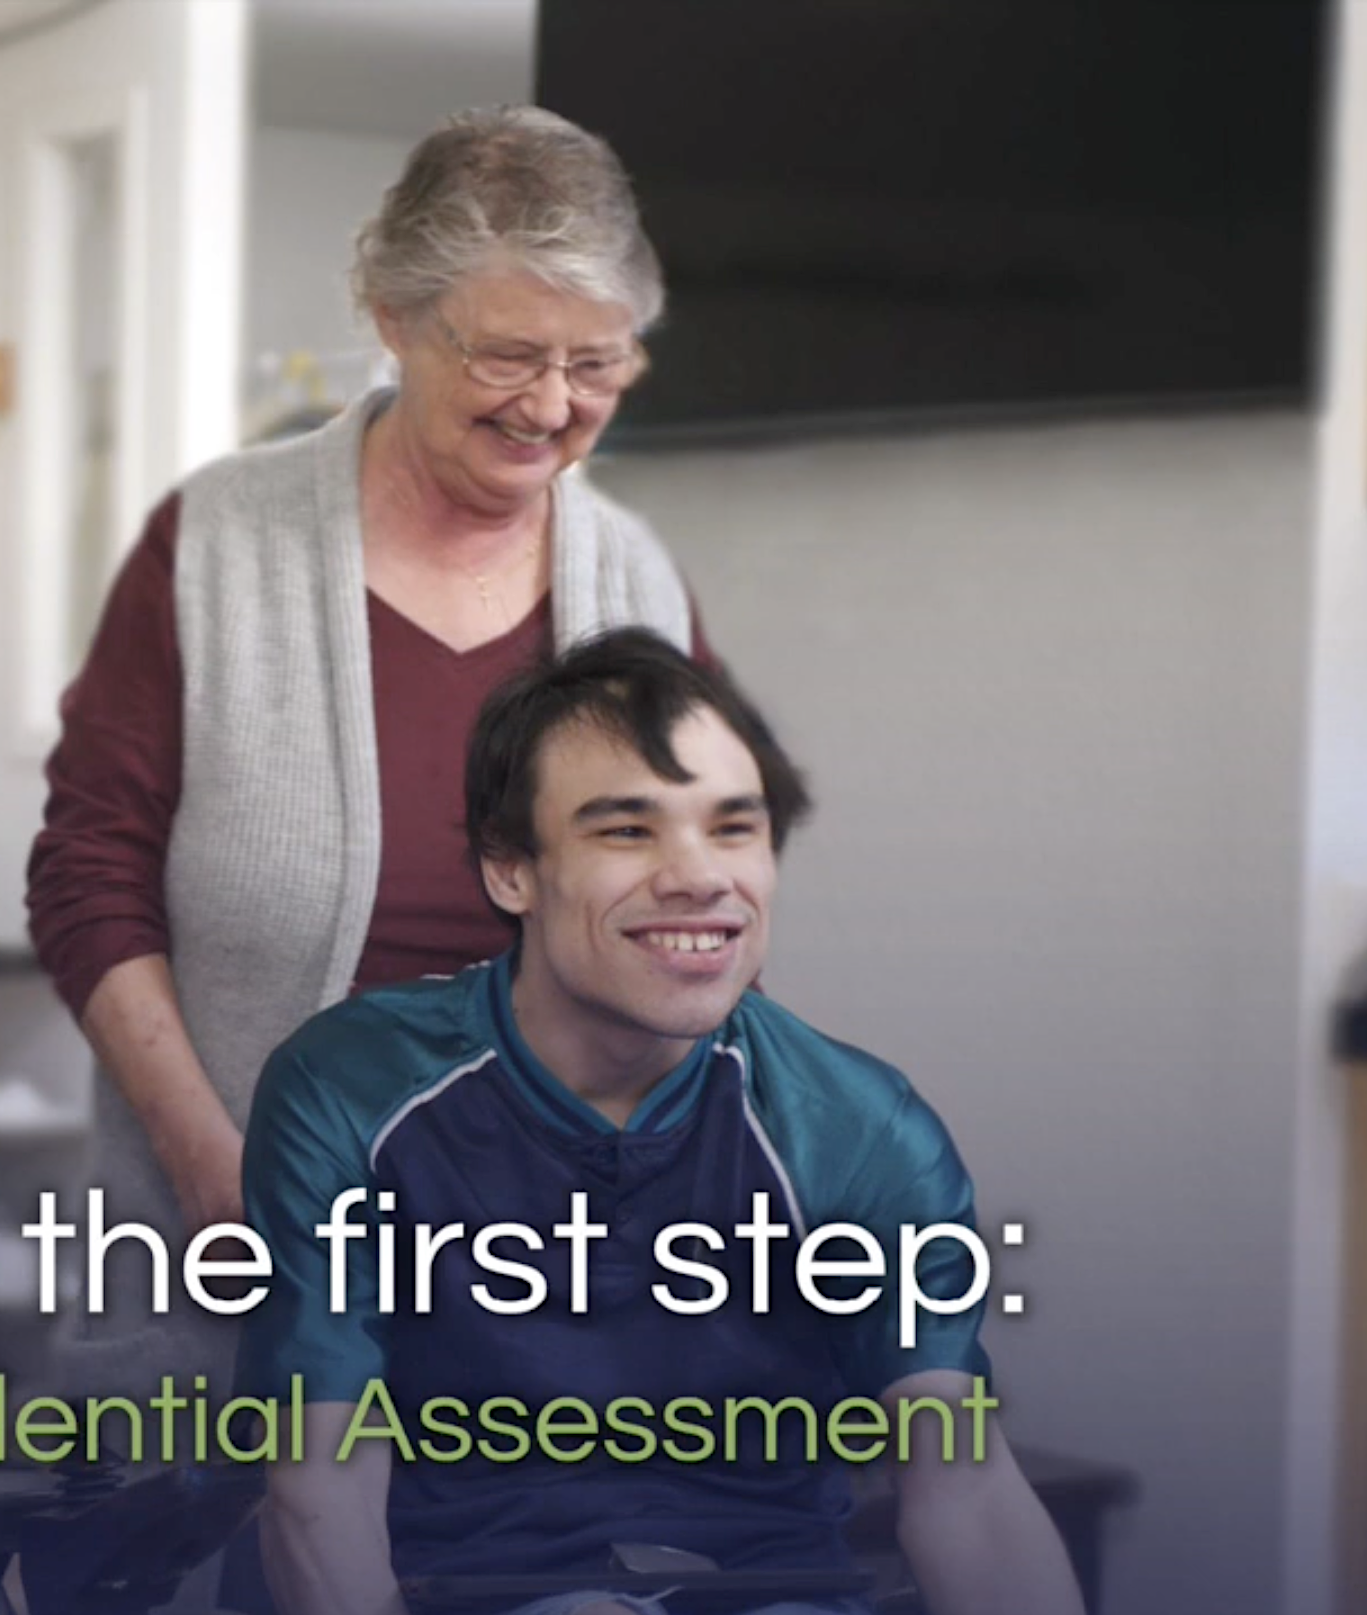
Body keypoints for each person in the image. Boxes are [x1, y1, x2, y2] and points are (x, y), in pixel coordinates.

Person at [28, 104, 707, 1391]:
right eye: (508, 354)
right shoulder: (219, 542)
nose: (552, 406)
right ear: (393, 318)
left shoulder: (634, 581)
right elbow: (88, 872)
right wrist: (204, 1161)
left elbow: (702, 882)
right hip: (235, 1221)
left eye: (598, 364)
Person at [240, 630, 1084, 1615]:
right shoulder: (348, 1085)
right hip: (457, 1589)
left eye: (733, 828)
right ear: (510, 869)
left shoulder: (858, 1128)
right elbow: (317, 1484)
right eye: (627, 830)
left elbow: (967, 1488)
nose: (699, 877)